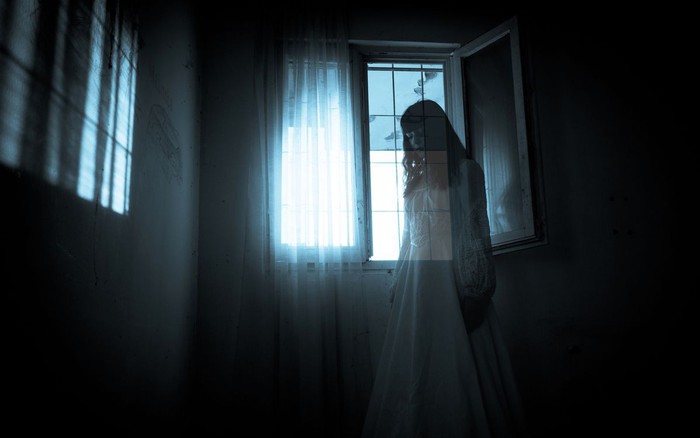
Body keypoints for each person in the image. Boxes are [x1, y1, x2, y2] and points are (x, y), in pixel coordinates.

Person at [361, 100, 527, 437]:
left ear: (437, 129)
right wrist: (398, 284)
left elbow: (475, 229)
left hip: (451, 277)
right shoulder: (417, 178)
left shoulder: (466, 171)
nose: (414, 140)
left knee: (461, 356)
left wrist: (476, 289)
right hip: (417, 281)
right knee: (415, 361)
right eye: (409, 135)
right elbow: (408, 237)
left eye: (419, 131)